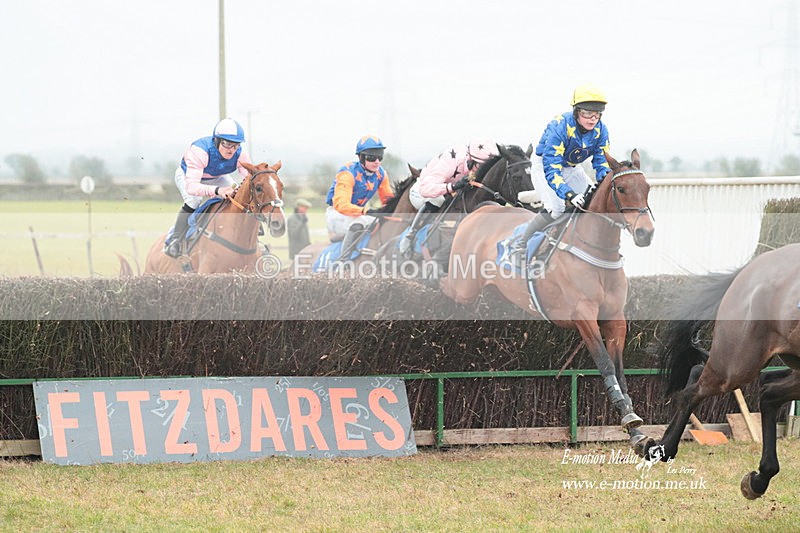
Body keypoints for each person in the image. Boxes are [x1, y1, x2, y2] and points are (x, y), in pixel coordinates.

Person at [511, 83, 611, 264]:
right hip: (545, 166)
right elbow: (552, 169)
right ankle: (521, 244)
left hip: (572, 167)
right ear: (576, 112)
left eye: (597, 114)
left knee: (593, 201)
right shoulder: (559, 126)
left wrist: (605, 182)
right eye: (587, 114)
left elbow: (601, 162)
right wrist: (569, 194)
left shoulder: (601, 130)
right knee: (557, 209)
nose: (592, 119)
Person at [164, 117, 252, 258]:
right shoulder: (199, 151)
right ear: (217, 140)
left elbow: (250, 178)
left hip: (217, 176)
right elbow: (192, 187)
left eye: (236, 145)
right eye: (227, 144)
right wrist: (217, 190)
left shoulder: (240, 154)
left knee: (236, 196)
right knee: (194, 200)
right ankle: (175, 239)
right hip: (188, 177)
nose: (231, 150)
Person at [397, 139, 500, 257]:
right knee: (438, 200)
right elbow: (425, 189)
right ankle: (409, 236)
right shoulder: (451, 162)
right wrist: (453, 186)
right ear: (471, 160)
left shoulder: (473, 161)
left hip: (447, 190)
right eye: (480, 166)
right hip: (421, 191)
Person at [325, 135, 393, 264]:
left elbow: (388, 200)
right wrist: (366, 211)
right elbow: (341, 205)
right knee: (359, 222)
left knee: (383, 221)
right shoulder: (347, 173)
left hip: (357, 214)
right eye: (372, 158)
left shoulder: (381, 174)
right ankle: (343, 262)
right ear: (361, 158)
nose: (377, 162)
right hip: (337, 214)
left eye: (380, 157)